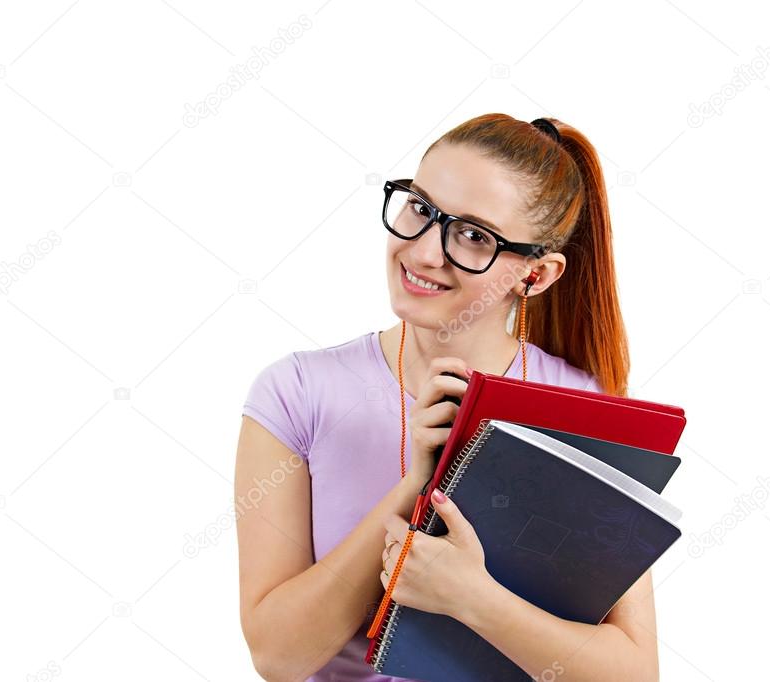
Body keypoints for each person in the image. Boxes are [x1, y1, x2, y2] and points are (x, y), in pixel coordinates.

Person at [235, 114, 658, 682]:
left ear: (536, 275)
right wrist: (414, 489)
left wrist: (471, 599)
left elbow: (633, 674)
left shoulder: (585, 410)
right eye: (421, 209)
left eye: (474, 236)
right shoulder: (297, 394)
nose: (425, 252)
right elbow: (277, 658)